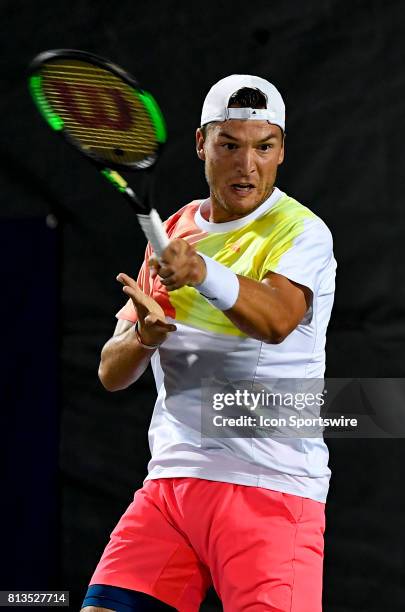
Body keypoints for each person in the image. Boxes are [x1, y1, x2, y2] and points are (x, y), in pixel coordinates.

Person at [81, 74, 336, 612]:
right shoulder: (172, 230)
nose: (248, 165)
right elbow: (111, 370)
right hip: (172, 487)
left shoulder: (302, 233)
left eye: (264, 147)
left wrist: (200, 271)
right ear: (202, 144)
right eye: (230, 145)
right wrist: (144, 339)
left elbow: (277, 319)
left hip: (270, 490)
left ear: (282, 150)